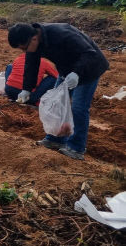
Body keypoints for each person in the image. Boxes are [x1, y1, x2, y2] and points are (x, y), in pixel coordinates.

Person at [7, 22, 109, 160]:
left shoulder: (62, 34)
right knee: (56, 104)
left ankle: (76, 148)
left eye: (24, 48)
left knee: (78, 108)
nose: (24, 52)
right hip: (66, 70)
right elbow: (31, 65)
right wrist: (26, 89)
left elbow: (89, 53)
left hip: (89, 68)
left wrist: (77, 73)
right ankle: (55, 139)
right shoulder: (33, 44)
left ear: (34, 38)